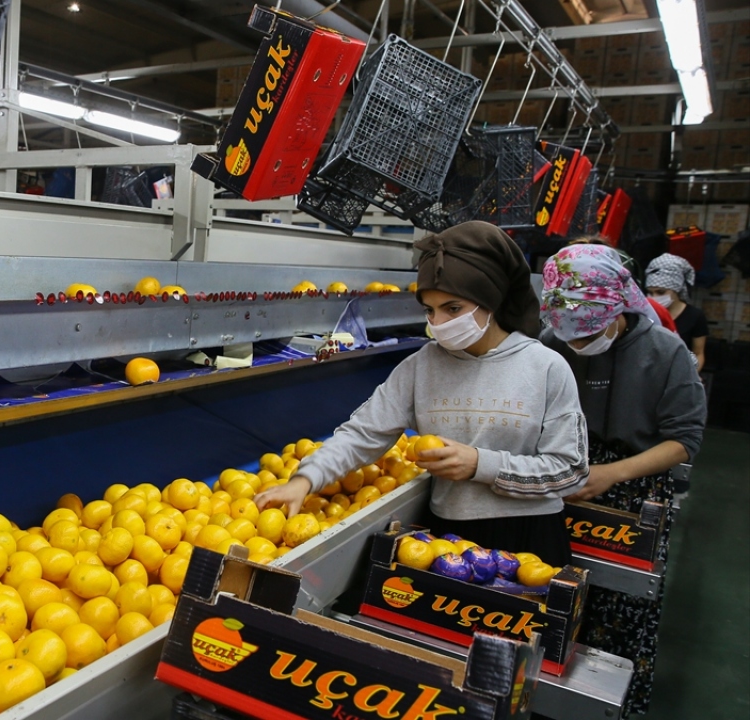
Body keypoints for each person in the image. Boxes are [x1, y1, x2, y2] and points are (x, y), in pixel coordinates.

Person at [254, 221, 588, 566]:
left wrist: (481, 464)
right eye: (430, 310)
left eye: (453, 309)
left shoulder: (546, 367)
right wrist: (306, 479)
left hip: (529, 541)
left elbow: (571, 470)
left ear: (490, 299)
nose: (440, 322)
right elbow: (363, 433)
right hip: (446, 541)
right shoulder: (421, 367)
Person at [539, 243, 706, 717]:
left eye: (588, 333)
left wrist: (614, 472)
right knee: (555, 591)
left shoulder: (665, 352)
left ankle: (616, 704)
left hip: (634, 490)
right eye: (567, 335)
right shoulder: (550, 342)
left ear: (619, 307)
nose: (576, 345)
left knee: (621, 606)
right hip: (559, 478)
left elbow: (684, 440)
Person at [645, 253, 709, 371]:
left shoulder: (695, 316)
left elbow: (698, 353)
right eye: (650, 292)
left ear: (677, 289)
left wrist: (691, 377)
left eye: (661, 292)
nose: (654, 297)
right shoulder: (645, 313)